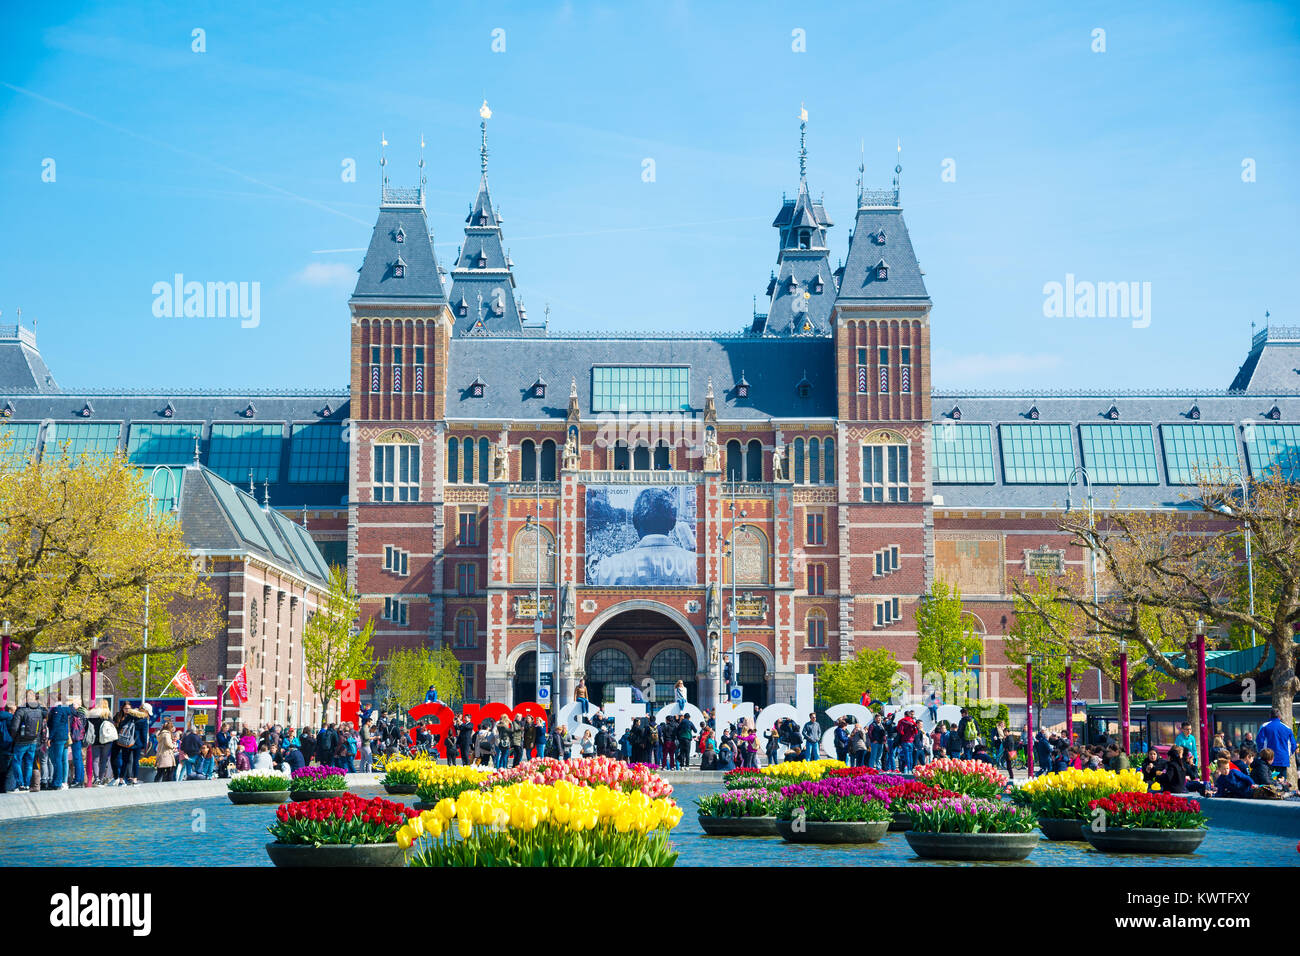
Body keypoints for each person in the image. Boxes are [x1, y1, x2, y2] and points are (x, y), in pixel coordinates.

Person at [8, 691, 46, 792]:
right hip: (33, 741)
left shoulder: (21, 711)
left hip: (21, 741)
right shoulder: (39, 711)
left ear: (25, 699)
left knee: (17, 761)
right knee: (29, 763)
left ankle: (20, 785)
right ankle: (27, 785)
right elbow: (41, 727)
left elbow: (14, 728)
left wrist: (14, 738)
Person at [1255, 709, 1297, 784]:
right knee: (1282, 783)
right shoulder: (1287, 728)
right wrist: (1287, 755)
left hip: (1267, 759)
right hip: (1282, 759)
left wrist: (1262, 754)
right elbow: (1293, 745)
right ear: (1280, 717)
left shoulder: (1265, 726)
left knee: (1267, 782)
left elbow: (1259, 741)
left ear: (1270, 716)